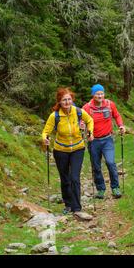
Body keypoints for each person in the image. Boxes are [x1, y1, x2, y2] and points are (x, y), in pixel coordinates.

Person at [42, 88, 94, 217]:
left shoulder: (78, 112)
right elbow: (46, 131)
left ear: (72, 100)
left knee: (74, 178)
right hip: (60, 151)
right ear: (59, 101)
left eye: (69, 99)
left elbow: (90, 120)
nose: (67, 102)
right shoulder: (55, 116)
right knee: (65, 179)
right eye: (64, 100)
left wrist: (90, 132)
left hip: (78, 148)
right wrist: (44, 138)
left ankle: (77, 207)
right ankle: (68, 204)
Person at [82, 84, 126, 199]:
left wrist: (121, 125)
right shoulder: (87, 108)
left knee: (111, 163)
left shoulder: (110, 104)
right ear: (93, 95)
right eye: (97, 94)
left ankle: (115, 187)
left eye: (101, 93)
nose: (100, 95)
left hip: (107, 139)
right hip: (93, 141)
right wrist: (81, 126)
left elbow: (117, 116)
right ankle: (101, 189)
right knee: (96, 166)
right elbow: (80, 121)